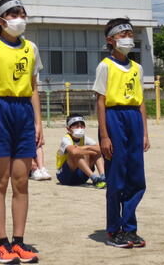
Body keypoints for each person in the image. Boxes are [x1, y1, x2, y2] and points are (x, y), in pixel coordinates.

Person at [0, 0, 43, 264]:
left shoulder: (31, 48)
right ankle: (2, 243)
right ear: (0, 20)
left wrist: (38, 122)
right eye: (13, 14)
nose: (19, 19)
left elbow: (34, 87)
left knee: (22, 181)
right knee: (0, 181)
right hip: (0, 110)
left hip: (24, 111)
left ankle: (19, 242)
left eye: (22, 14)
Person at [93, 18, 149, 249]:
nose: (128, 38)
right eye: (122, 34)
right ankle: (114, 229)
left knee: (136, 178)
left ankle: (129, 228)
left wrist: (145, 132)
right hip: (114, 118)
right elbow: (100, 101)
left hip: (133, 119)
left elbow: (141, 101)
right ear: (110, 39)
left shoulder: (137, 67)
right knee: (116, 178)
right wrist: (104, 135)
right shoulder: (105, 66)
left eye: (130, 34)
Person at [56, 114, 105, 188]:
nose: (80, 128)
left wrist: (86, 147)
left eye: (82, 126)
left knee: (96, 152)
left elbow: (101, 149)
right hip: (65, 176)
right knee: (76, 154)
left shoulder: (85, 138)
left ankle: (103, 177)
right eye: (76, 126)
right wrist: (88, 150)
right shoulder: (66, 139)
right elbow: (74, 152)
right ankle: (94, 178)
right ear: (68, 129)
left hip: (81, 176)